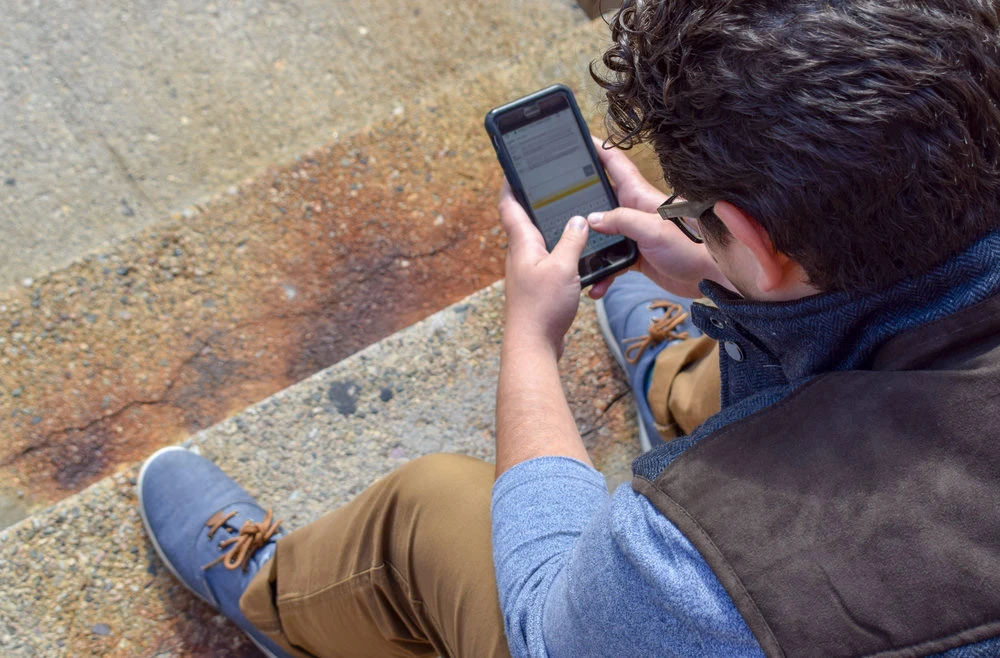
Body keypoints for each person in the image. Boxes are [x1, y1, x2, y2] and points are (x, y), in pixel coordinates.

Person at [137, 0, 1000, 655]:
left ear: (758, 238)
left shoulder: (705, 564)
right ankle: (684, 375)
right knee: (767, 347)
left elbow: (547, 622)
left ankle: (272, 600)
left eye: (704, 218)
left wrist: (529, 337)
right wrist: (719, 267)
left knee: (428, 511)